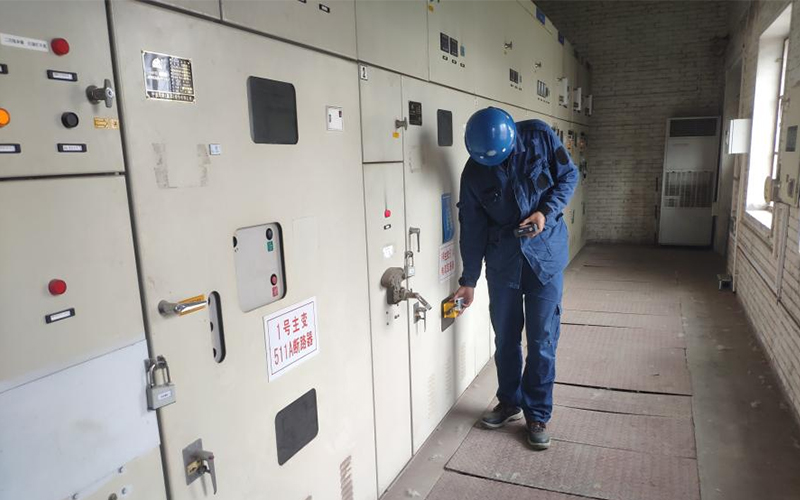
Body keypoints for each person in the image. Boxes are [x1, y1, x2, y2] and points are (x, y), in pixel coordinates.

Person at [453, 107, 578, 450]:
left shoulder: (539, 136)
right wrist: (469, 279)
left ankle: (537, 413)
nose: (494, 164)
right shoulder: (474, 172)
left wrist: (545, 212)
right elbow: (472, 228)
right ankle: (509, 402)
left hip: (545, 258)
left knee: (541, 340)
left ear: (512, 138)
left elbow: (569, 177)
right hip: (503, 263)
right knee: (506, 339)